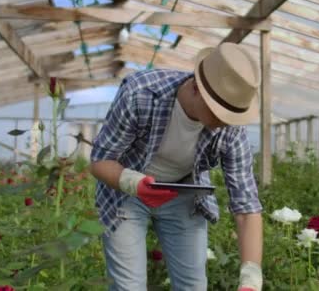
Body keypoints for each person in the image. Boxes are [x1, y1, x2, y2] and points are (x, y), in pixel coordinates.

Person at [90, 43, 263, 291]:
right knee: (128, 286)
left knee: (192, 285)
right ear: (195, 87)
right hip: (126, 189)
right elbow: (100, 160)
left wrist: (251, 280)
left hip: (183, 192)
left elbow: (246, 207)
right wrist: (135, 184)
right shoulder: (141, 92)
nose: (224, 123)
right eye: (218, 113)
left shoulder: (231, 128)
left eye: (230, 117)